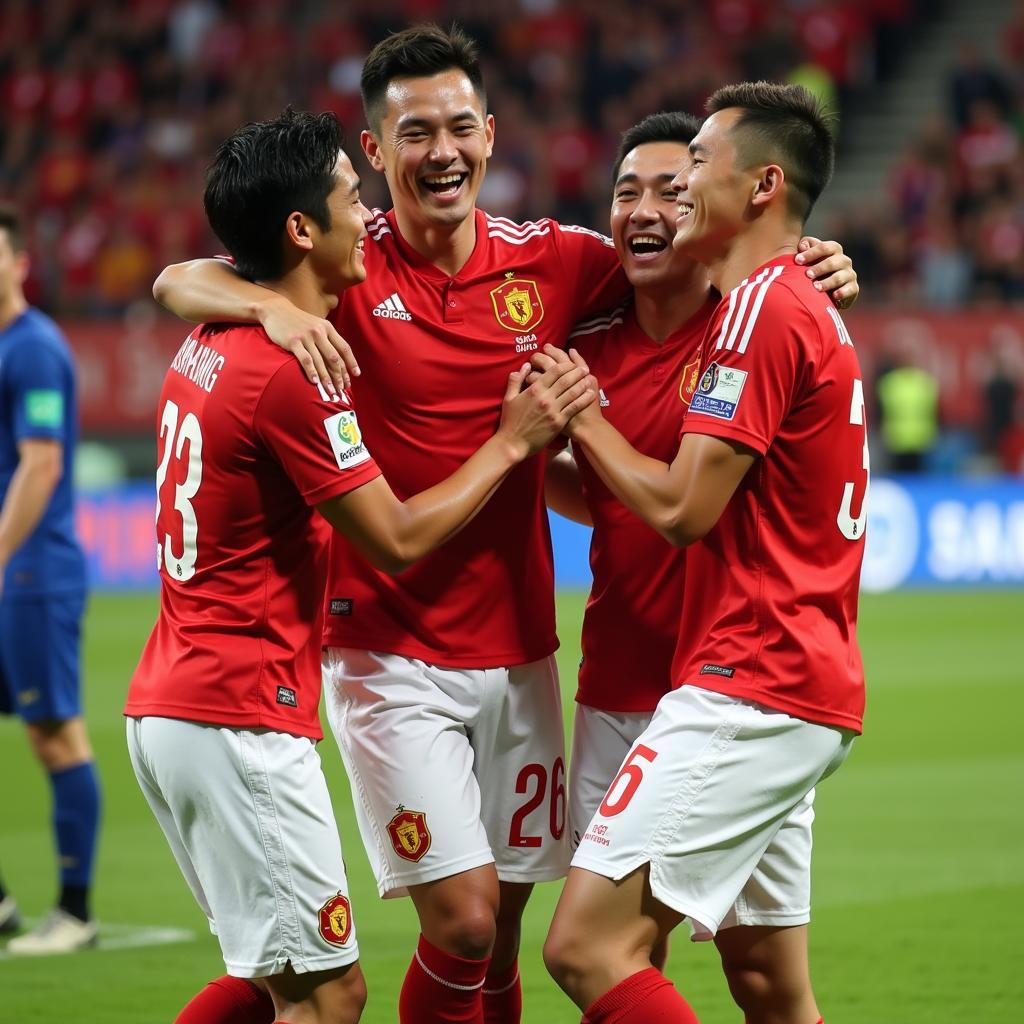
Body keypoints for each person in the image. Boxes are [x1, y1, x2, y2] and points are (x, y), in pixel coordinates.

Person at [152, 26, 858, 1023]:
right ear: (373, 148)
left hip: (521, 650)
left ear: (489, 132)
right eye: (413, 133)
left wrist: (810, 256)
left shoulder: (559, 265)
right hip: (387, 646)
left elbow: (696, 264)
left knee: (501, 936)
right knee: (464, 922)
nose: (440, 151)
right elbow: (177, 281)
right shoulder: (346, 273)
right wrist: (268, 310)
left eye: (458, 127)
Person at [126, 107, 594, 1024]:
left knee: (273, 981)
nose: (366, 220)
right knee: (329, 997)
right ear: (303, 228)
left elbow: (180, 283)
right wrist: (513, 445)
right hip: (239, 713)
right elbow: (399, 536)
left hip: (180, 702)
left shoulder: (214, 342)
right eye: (350, 198)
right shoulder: (290, 369)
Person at [540, 82, 868, 1024]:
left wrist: (585, 422)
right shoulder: (791, 298)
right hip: (789, 677)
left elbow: (683, 509)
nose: (677, 193)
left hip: (749, 675)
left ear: (762, 185)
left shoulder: (762, 311)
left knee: (587, 948)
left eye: (695, 170)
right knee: (769, 983)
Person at [0, 202, 101, 955]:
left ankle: (74, 911)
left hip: (32, 572)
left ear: (19, 261)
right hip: (12, 569)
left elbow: (42, 464)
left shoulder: (32, 350)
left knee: (54, 735)